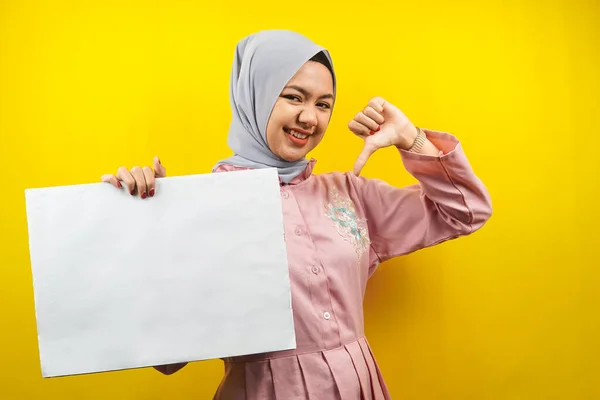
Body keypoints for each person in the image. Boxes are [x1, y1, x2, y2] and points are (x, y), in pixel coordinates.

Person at [101, 30, 492, 400]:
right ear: (254, 95)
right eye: (294, 97)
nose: (310, 118)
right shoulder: (200, 205)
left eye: (324, 104)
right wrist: (148, 224)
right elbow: (167, 360)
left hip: (359, 386)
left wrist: (411, 138)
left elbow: (467, 212)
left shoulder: (350, 193)